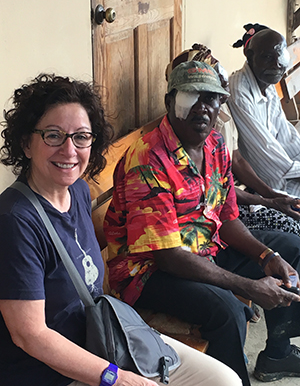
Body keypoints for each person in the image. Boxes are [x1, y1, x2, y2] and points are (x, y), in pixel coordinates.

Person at [0, 74, 242, 386]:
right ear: (26, 143)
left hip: (102, 338)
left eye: (81, 136)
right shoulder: (15, 221)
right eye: (53, 135)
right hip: (50, 372)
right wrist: (116, 377)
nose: (69, 150)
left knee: (223, 380)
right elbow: (29, 335)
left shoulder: (77, 193)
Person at [104, 60, 300, 385]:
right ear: (170, 102)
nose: (203, 107)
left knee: (291, 249)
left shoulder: (214, 145)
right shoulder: (148, 158)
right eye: (191, 96)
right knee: (228, 312)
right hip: (149, 273)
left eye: (211, 98)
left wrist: (267, 257)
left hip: (203, 249)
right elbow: (168, 256)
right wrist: (247, 286)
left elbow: (228, 218)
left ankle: (277, 352)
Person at [166, 43, 300, 237]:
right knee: (291, 229)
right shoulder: (192, 130)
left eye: (219, 71)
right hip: (217, 217)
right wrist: (270, 199)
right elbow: (214, 193)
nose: (223, 77)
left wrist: (271, 197)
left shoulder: (217, 126)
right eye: (195, 95)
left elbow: (233, 165)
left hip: (234, 203)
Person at [228, 28, 300, 197]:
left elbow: (286, 134)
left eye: (280, 57)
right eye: (267, 57)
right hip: (271, 185)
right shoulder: (239, 93)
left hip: (286, 172)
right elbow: (266, 155)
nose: (276, 65)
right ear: (249, 55)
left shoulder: (265, 82)